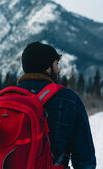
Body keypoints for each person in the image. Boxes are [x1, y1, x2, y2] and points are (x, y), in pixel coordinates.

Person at [16, 41, 96, 169]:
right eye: (56, 64)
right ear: (47, 69)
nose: (58, 70)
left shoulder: (7, 98)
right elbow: (85, 158)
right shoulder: (68, 99)